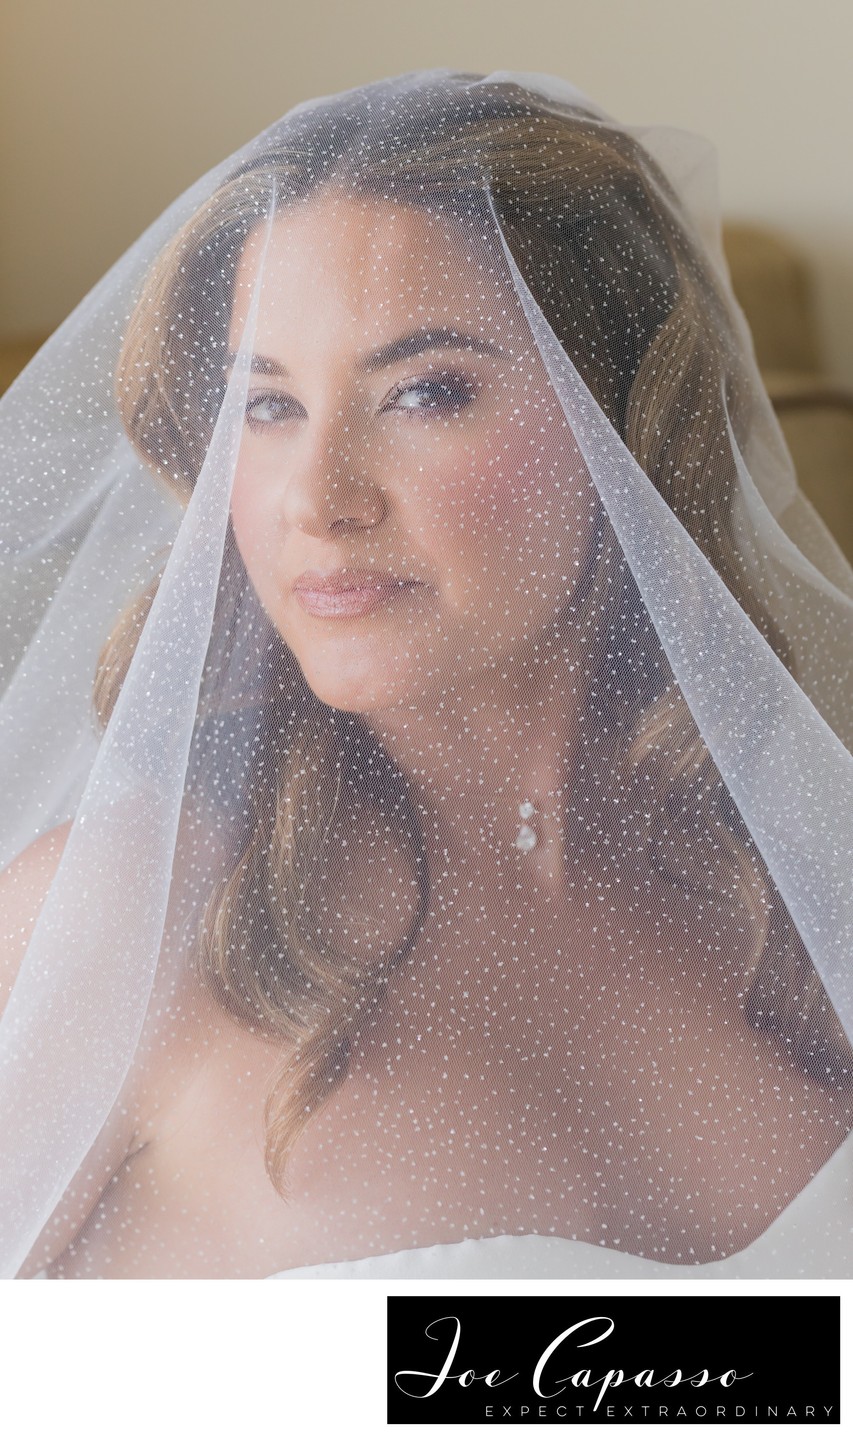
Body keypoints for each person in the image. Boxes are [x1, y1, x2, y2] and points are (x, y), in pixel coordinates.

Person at [1, 69, 853, 1280]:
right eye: (268, 405)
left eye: (424, 391)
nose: (319, 499)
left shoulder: (797, 892)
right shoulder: (120, 923)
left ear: (625, 428)